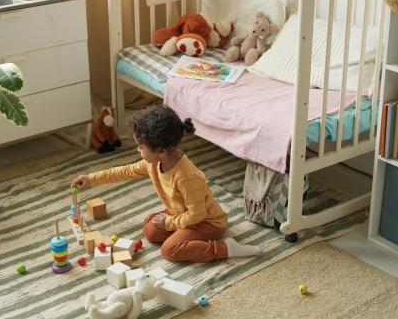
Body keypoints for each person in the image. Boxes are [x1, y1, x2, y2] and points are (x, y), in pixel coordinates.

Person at [71, 105, 261, 263]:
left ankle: (225, 248)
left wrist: (169, 222)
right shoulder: (155, 163)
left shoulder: (188, 177)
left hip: (207, 223)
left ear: (160, 150)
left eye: (140, 146)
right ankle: (183, 236)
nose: (138, 150)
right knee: (150, 231)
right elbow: (125, 171)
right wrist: (92, 179)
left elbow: (198, 214)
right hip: (182, 214)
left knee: (170, 251)